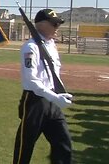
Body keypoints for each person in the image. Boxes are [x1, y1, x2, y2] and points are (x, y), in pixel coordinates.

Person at [13, 9, 72, 164]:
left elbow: (54, 73)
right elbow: (31, 79)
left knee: (63, 143)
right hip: (34, 101)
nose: (57, 27)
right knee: (25, 145)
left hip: (53, 101)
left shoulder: (51, 45)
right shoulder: (31, 47)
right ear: (41, 25)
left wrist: (60, 93)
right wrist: (54, 97)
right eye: (54, 24)